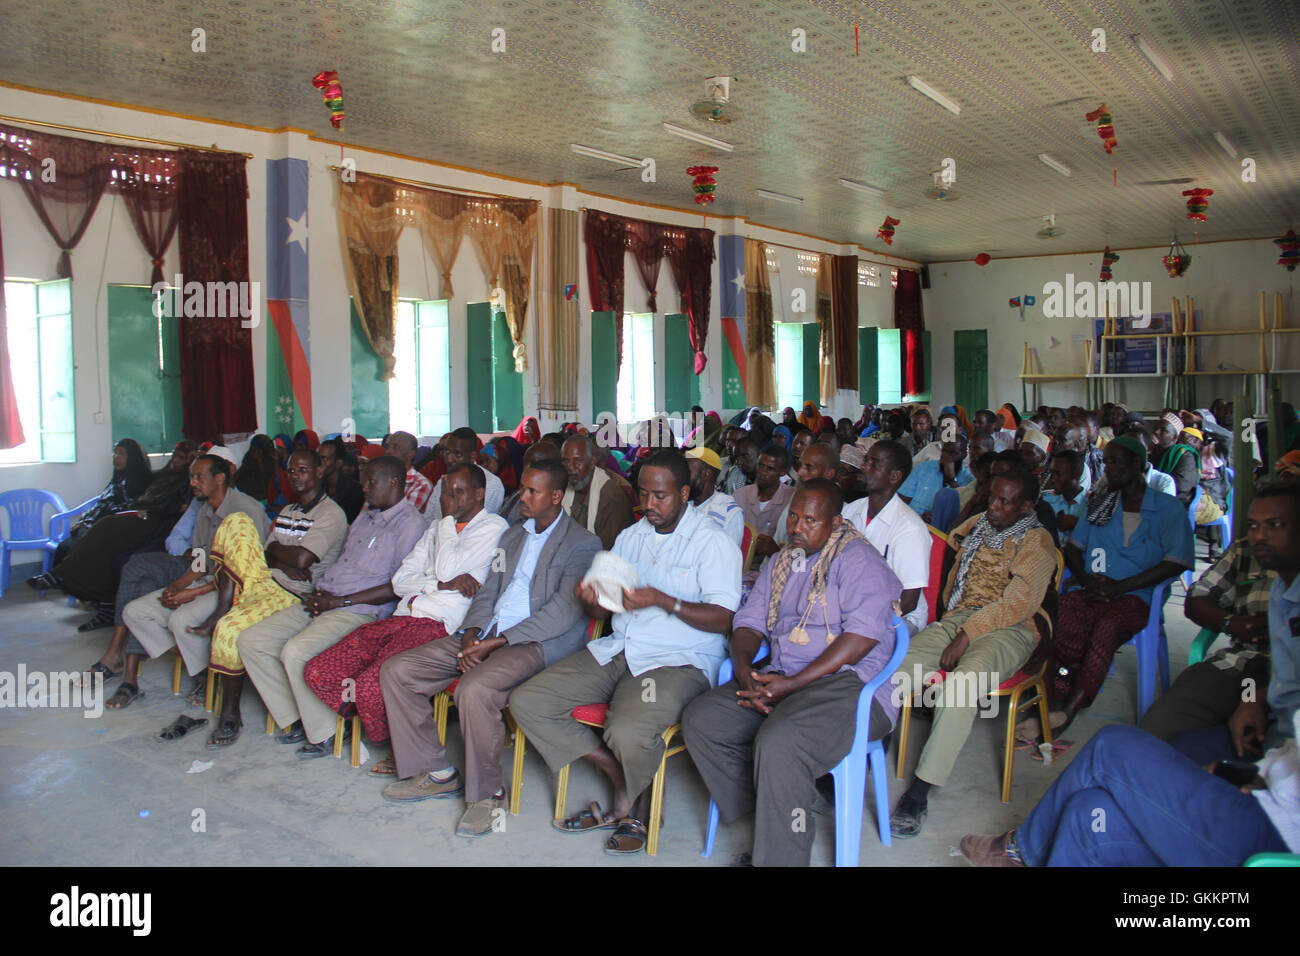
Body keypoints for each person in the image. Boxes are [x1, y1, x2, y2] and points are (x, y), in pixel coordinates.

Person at [508, 450, 741, 856]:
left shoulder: (714, 544)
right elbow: (607, 607)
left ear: (684, 493)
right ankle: (619, 777)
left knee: (628, 728)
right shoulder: (631, 537)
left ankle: (639, 808)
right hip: (620, 648)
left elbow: (724, 619)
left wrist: (665, 601)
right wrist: (592, 599)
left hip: (677, 661)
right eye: (643, 493)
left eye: (660, 496)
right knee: (528, 700)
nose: (648, 505)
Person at [681, 480, 903, 866]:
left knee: (780, 742)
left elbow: (862, 638)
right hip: (783, 676)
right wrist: (746, 669)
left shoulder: (858, 560)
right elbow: (748, 623)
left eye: (810, 520)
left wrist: (793, 685)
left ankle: (779, 854)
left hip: (851, 686)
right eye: (795, 517)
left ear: (834, 522)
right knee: (703, 720)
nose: (797, 527)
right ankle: (779, 816)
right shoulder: (784, 559)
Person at [378, 459, 601, 835]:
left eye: (533, 491)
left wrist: (497, 641)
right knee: (398, 671)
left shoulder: (582, 543)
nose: (523, 497)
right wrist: (472, 632)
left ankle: (487, 794)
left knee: (475, 687)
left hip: (535, 642)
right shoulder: (511, 537)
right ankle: (435, 771)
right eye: (524, 488)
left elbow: (562, 612)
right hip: (488, 633)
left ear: (557, 496)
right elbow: (488, 592)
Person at [890, 469, 1057, 838]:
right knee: (895, 666)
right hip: (960, 618)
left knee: (962, 686)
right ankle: (873, 735)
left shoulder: (1037, 541)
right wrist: (954, 626)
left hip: (1013, 627)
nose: (992, 505)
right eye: (991, 496)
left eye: (1004, 501)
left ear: (1027, 506)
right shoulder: (978, 526)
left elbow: (1018, 604)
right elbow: (954, 576)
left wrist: (966, 635)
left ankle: (920, 790)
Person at [301, 462, 505, 754]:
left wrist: (447, 522)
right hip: (404, 615)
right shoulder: (434, 528)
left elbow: (446, 568)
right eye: (446, 492)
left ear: (479, 495)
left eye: (459, 492)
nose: (450, 499)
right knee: (319, 670)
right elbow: (400, 581)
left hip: (436, 624)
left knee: (371, 683)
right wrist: (437, 585)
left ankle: (392, 745)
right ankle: (380, 724)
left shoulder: (492, 528)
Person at [235, 456, 430, 756]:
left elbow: (397, 586)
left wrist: (340, 601)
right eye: (364, 480)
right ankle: (300, 717)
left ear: (393, 482)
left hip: (357, 610)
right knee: (251, 641)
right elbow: (341, 564)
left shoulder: (410, 524)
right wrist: (320, 593)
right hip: (323, 598)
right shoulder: (365, 516)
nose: (363, 487)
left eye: (371, 481)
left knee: (295, 651)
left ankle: (327, 733)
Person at [176, 449, 350, 747]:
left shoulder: (330, 514)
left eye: (304, 470)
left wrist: (281, 556)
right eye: (292, 471)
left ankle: (230, 713)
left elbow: (303, 558)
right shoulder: (287, 511)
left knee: (229, 630)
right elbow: (267, 553)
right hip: (267, 580)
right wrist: (284, 561)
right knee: (238, 523)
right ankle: (223, 606)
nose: (296, 476)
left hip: (296, 593)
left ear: (320, 472)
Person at [959, 717, 1298, 866]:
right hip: (1259, 749)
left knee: (1114, 745)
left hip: (1274, 834)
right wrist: (1249, 691)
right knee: (1088, 811)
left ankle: (1022, 851)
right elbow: (1254, 666)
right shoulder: (1277, 600)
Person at [1050, 435, 1193, 734]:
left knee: (1108, 623)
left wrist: (1120, 587)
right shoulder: (1102, 504)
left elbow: (1176, 561)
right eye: (1105, 462)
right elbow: (1074, 549)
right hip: (1093, 588)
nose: (1108, 469)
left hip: (1137, 596)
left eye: (1115, 462)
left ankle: (1069, 708)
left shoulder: (1167, 508)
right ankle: (1060, 685)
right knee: (1057, 613)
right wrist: (1088, 581)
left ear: (1137, 464)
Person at [1139, 530, 1273, 747]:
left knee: (1259, 743)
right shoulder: (1246, 549)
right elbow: (1196, 599)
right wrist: (1231, 622)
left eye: (1275, 523)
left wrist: (1255, 698)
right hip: (1245, 665)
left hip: (1280, 677)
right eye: (1254, 524)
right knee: (1157, 729)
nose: (1261, 535)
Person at [843, 440, 930, 633]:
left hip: (899, 619)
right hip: (853, 607)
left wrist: (860, 620)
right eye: (865, 460)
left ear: (894, 476)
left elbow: (908, 601)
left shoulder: (910, 529)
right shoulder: (851, 511)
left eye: (873, 463)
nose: (863, 466)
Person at [560, 434, 636, 550]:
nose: (571, 467)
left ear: (592, 462)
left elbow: (607, 554)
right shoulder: (564, 489)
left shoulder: (610, 497)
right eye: (566, 461)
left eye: (578, 460)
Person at [734, 444, 795, 568]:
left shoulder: (791, 499)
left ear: (783, 471)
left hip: (771, 568)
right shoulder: (739, 496)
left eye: (770, 469)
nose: (762, 473)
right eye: (760, 465)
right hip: (737, 564)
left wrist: (774, 550)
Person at [428, 427, 505, 520]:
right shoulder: (443, 481)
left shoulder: (491, 483)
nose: (449, 459)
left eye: (457, 454)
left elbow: (478, 524)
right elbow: (428, 518)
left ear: (472, 456)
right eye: (446, 452)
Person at [773, 441, 839, 547]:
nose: (800, 472)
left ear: (829, 473)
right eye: (800, 465)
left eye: (809, 467)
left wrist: (776, 550)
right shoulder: (796, 502)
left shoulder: (839, 512)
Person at [898, 435, 973, 523]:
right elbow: (902, 499)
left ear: (963, 455)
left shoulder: (968, 480)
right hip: (908, 519)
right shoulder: (925, 467)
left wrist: (952, 479)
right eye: (944, 451)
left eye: (953, 453)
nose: (946, 456)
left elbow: (957, 512)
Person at [685, 446, 744, 548]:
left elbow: (726, 559)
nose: (681, 477)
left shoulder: (729, 513)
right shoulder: (679, 501)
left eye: (687, 473)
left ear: (706, 475)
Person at [498, 440, 559, 522]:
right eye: (525, 463)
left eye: (533, 463)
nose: (526, 468)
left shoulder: (554, 501)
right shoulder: (517, 494)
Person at [1152, 411, 1200, 505]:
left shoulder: (1184, 455)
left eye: (1163, 430)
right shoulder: (1154, 451)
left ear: (1175, 436)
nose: (1157, 432)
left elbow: (1181, 488)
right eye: (1156, 428)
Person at [384, 431, 436, 515]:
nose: (388, 451)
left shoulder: (421, 484)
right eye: (387, 447)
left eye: (395, 447)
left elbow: (403, 519)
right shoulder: (382, 478)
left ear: (411, 454)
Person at [1042, 449, 1087, 535]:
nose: (1053, 479)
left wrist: (1078, 524)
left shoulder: (1091, 506)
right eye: (1051, 473)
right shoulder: (1046, 501)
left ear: (1077, 474)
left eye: (1058, 473)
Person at [320, 436, 365, 522]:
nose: (319, 463)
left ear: (338, 463)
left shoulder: (354, 491)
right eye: (318, 458)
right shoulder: (317, 487)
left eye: (324, 459)